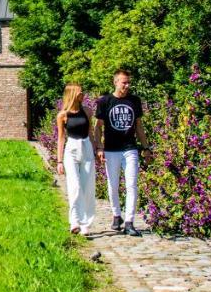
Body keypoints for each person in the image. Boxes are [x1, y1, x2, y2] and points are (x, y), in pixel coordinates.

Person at [95, 69, 148, 237]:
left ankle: (129, 221)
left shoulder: (134, 101)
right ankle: (116, 215)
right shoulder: (105, 102)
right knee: (113, 184)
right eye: (124, 82)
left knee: (132, 184)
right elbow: (98, 127)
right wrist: (99, 147)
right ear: (115, 82)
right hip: (111, 149)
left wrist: (146, 147)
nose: (127, 85)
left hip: (130, 147)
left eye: (128, 82)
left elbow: (139, 126)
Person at [55, 83, 96, 235]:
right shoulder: (62, 115)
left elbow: (90, 132)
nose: (83, 94)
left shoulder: (87, 111)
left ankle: (86, 223)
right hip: (71, 149)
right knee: (75, 186)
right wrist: (59, 161)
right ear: (72, 94)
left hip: (86, 147)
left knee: (87, 187)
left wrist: (97, 148)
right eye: (80, 92)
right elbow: (60, 138)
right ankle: (74, 221)